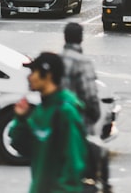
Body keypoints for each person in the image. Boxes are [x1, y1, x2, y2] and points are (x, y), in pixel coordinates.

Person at [9, 51, 87, 193]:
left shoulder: (66, 112)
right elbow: (22, 147)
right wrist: (20, 119)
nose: (29, 77)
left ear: (47, 74)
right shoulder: (41, 110)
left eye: (33, 72)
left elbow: (74, 164)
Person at [62, 23, 110, 193]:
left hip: (60, 123)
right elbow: (90, 96)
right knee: (82, 166)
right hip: (80, 122)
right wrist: (94, 116)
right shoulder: (83, 62)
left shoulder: (58, 61)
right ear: (81, 38)